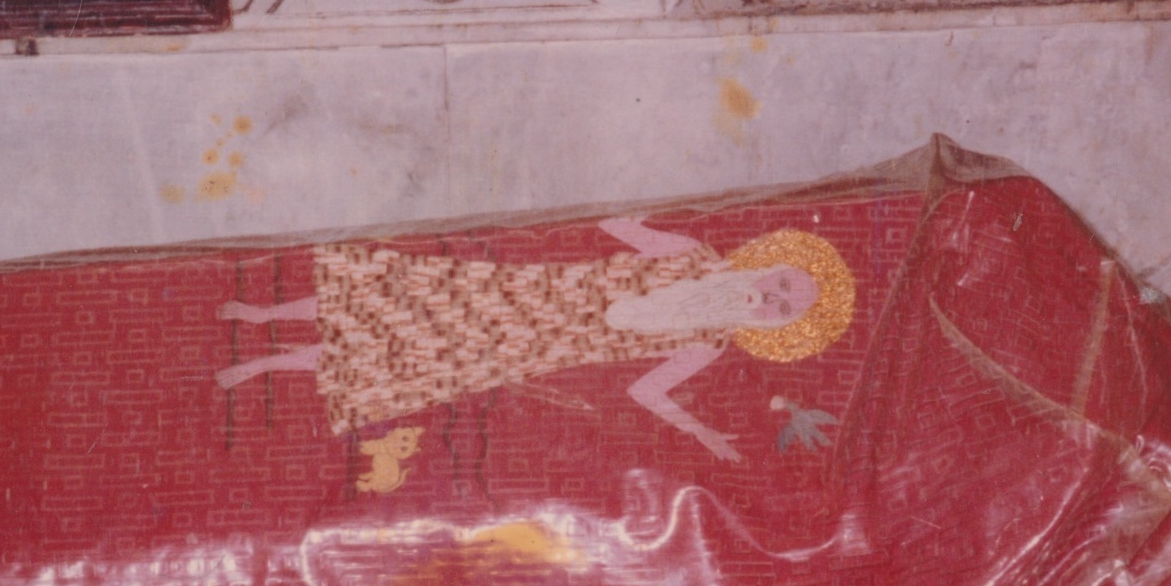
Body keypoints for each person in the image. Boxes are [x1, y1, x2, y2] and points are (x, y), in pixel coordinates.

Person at [215, 218, 854, 461]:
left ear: (777, 327)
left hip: (538, 344)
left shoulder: (711, 342)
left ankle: (265, 365)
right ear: (769, 264)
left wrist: (701, 432)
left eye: (782, 307)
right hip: (528, 292)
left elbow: (646, 390)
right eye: (780, 283)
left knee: (402, 352)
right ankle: (264, 316)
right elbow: (620, 223)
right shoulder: (693, 252)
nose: (769, 297)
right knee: (396, 296)